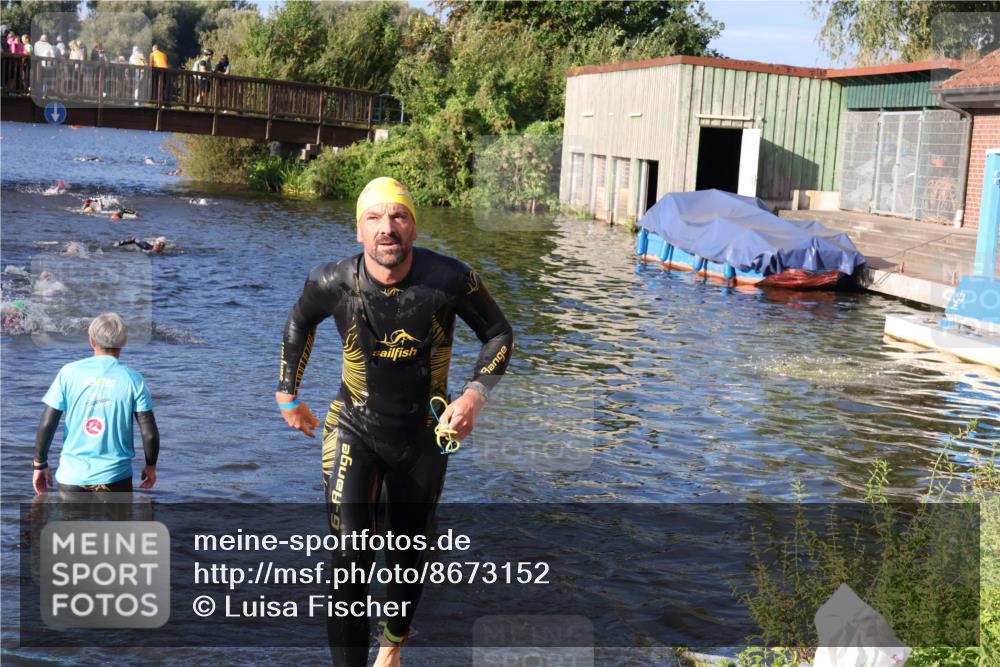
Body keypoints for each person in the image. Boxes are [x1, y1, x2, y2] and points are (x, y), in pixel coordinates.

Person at [276, 177, 513, 667]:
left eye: (399, 216)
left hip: (424, 434)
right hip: (353, 426)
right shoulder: (332, 281)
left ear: (414, 227)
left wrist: (473, 396)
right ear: (359, 230)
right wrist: (287, 395)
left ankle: (391, 647)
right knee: (350, 555)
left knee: (409, 552)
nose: (388, 227)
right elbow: (299, 321)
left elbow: (498, 333)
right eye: (375, 217)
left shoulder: (450, 279)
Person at [32, 313, 160, 496]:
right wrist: (151, 466)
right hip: (116, 479)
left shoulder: (68, 373)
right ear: (124, 342)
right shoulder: (134, 379)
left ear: (91, 341)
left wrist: (40, 465)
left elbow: (48, 423)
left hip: (72, 478)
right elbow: (149, 433)